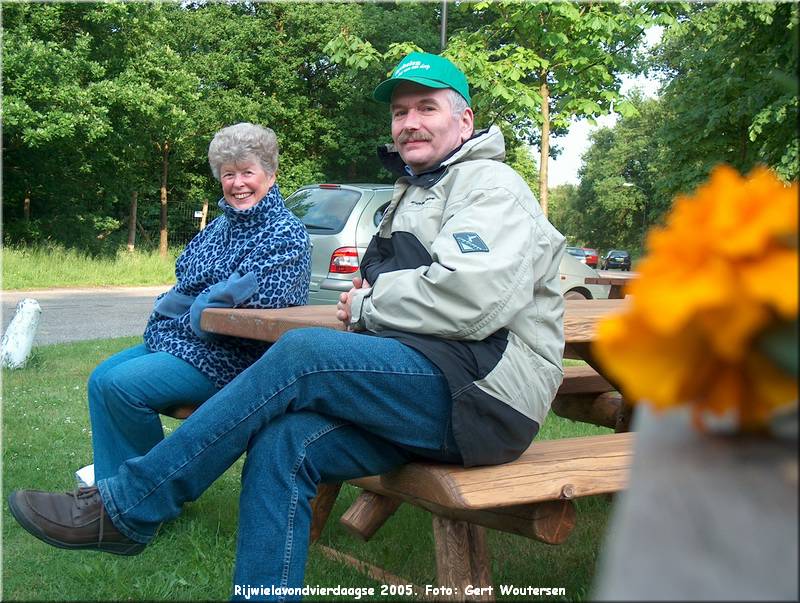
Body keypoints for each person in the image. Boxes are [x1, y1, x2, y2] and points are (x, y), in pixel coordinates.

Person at [8, 52, 566, 599]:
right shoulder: (414, 192)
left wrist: (371, 305)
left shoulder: (489, 186)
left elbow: (470, 298)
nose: (410, 123)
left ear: (463, 119)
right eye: (400, 112)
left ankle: (130, 504)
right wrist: (370, 301)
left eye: (426, 108)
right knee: (284, 442)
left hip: (486, 398)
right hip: (426, 389)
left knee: (303, 354)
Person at [84, 122, 311, 482]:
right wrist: (209, 295)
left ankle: (143, 492)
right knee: (100, 378)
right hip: (186, 342)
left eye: (247, 172)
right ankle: (114, 490)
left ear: (270, 174)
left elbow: (263, 297)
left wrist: (202, 299)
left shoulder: (285, 232)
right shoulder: (218, 229)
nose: (238, 184)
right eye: (228, 174)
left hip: (238, 357)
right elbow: (186, 283)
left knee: (122, 385)